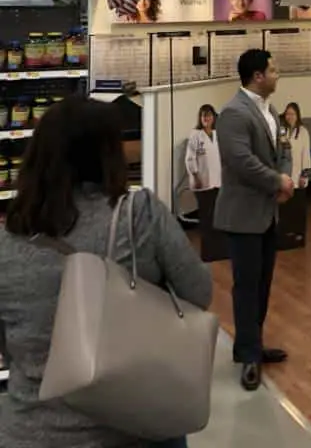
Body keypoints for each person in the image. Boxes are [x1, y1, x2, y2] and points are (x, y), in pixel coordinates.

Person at [0, 95, 212, 448]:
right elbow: (199, 292)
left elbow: (7, 347)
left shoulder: (7, 243)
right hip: (136, 425)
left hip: (32, 431)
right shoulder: (140, 215)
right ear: (108, 154)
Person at [214, 49, 294, 391]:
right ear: (257, 76)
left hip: (266, 213)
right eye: (273, 70)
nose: (278, 75)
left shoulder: (270, 109)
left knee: (262, 284)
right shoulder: (233, 113)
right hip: (243, 215)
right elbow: (240, 161)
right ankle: (248, 355)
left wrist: (285, 178)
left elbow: (283, 150)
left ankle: (254, 345)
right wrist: (277, 181)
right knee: (246, 287)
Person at [185, 105, 225, 262]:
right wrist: (196, 175)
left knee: (217, 215)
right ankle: (207, 252)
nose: (206, 119)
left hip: (218, 181)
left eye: (209, 116)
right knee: (206, 217)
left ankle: (218, 248)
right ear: (200, 118)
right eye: (203, 116)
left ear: (213, 118)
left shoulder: (217, 135)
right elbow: (190, 158)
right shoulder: (195, 135)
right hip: (202, 182)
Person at [280, 103, 311, 189]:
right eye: (287, 114)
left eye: (292, 114)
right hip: (284, 173)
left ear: (297, 115)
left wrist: (304, 174)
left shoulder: (303, 132)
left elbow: (306, 155)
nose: (290, 117)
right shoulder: (282, 131)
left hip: (298, 175)